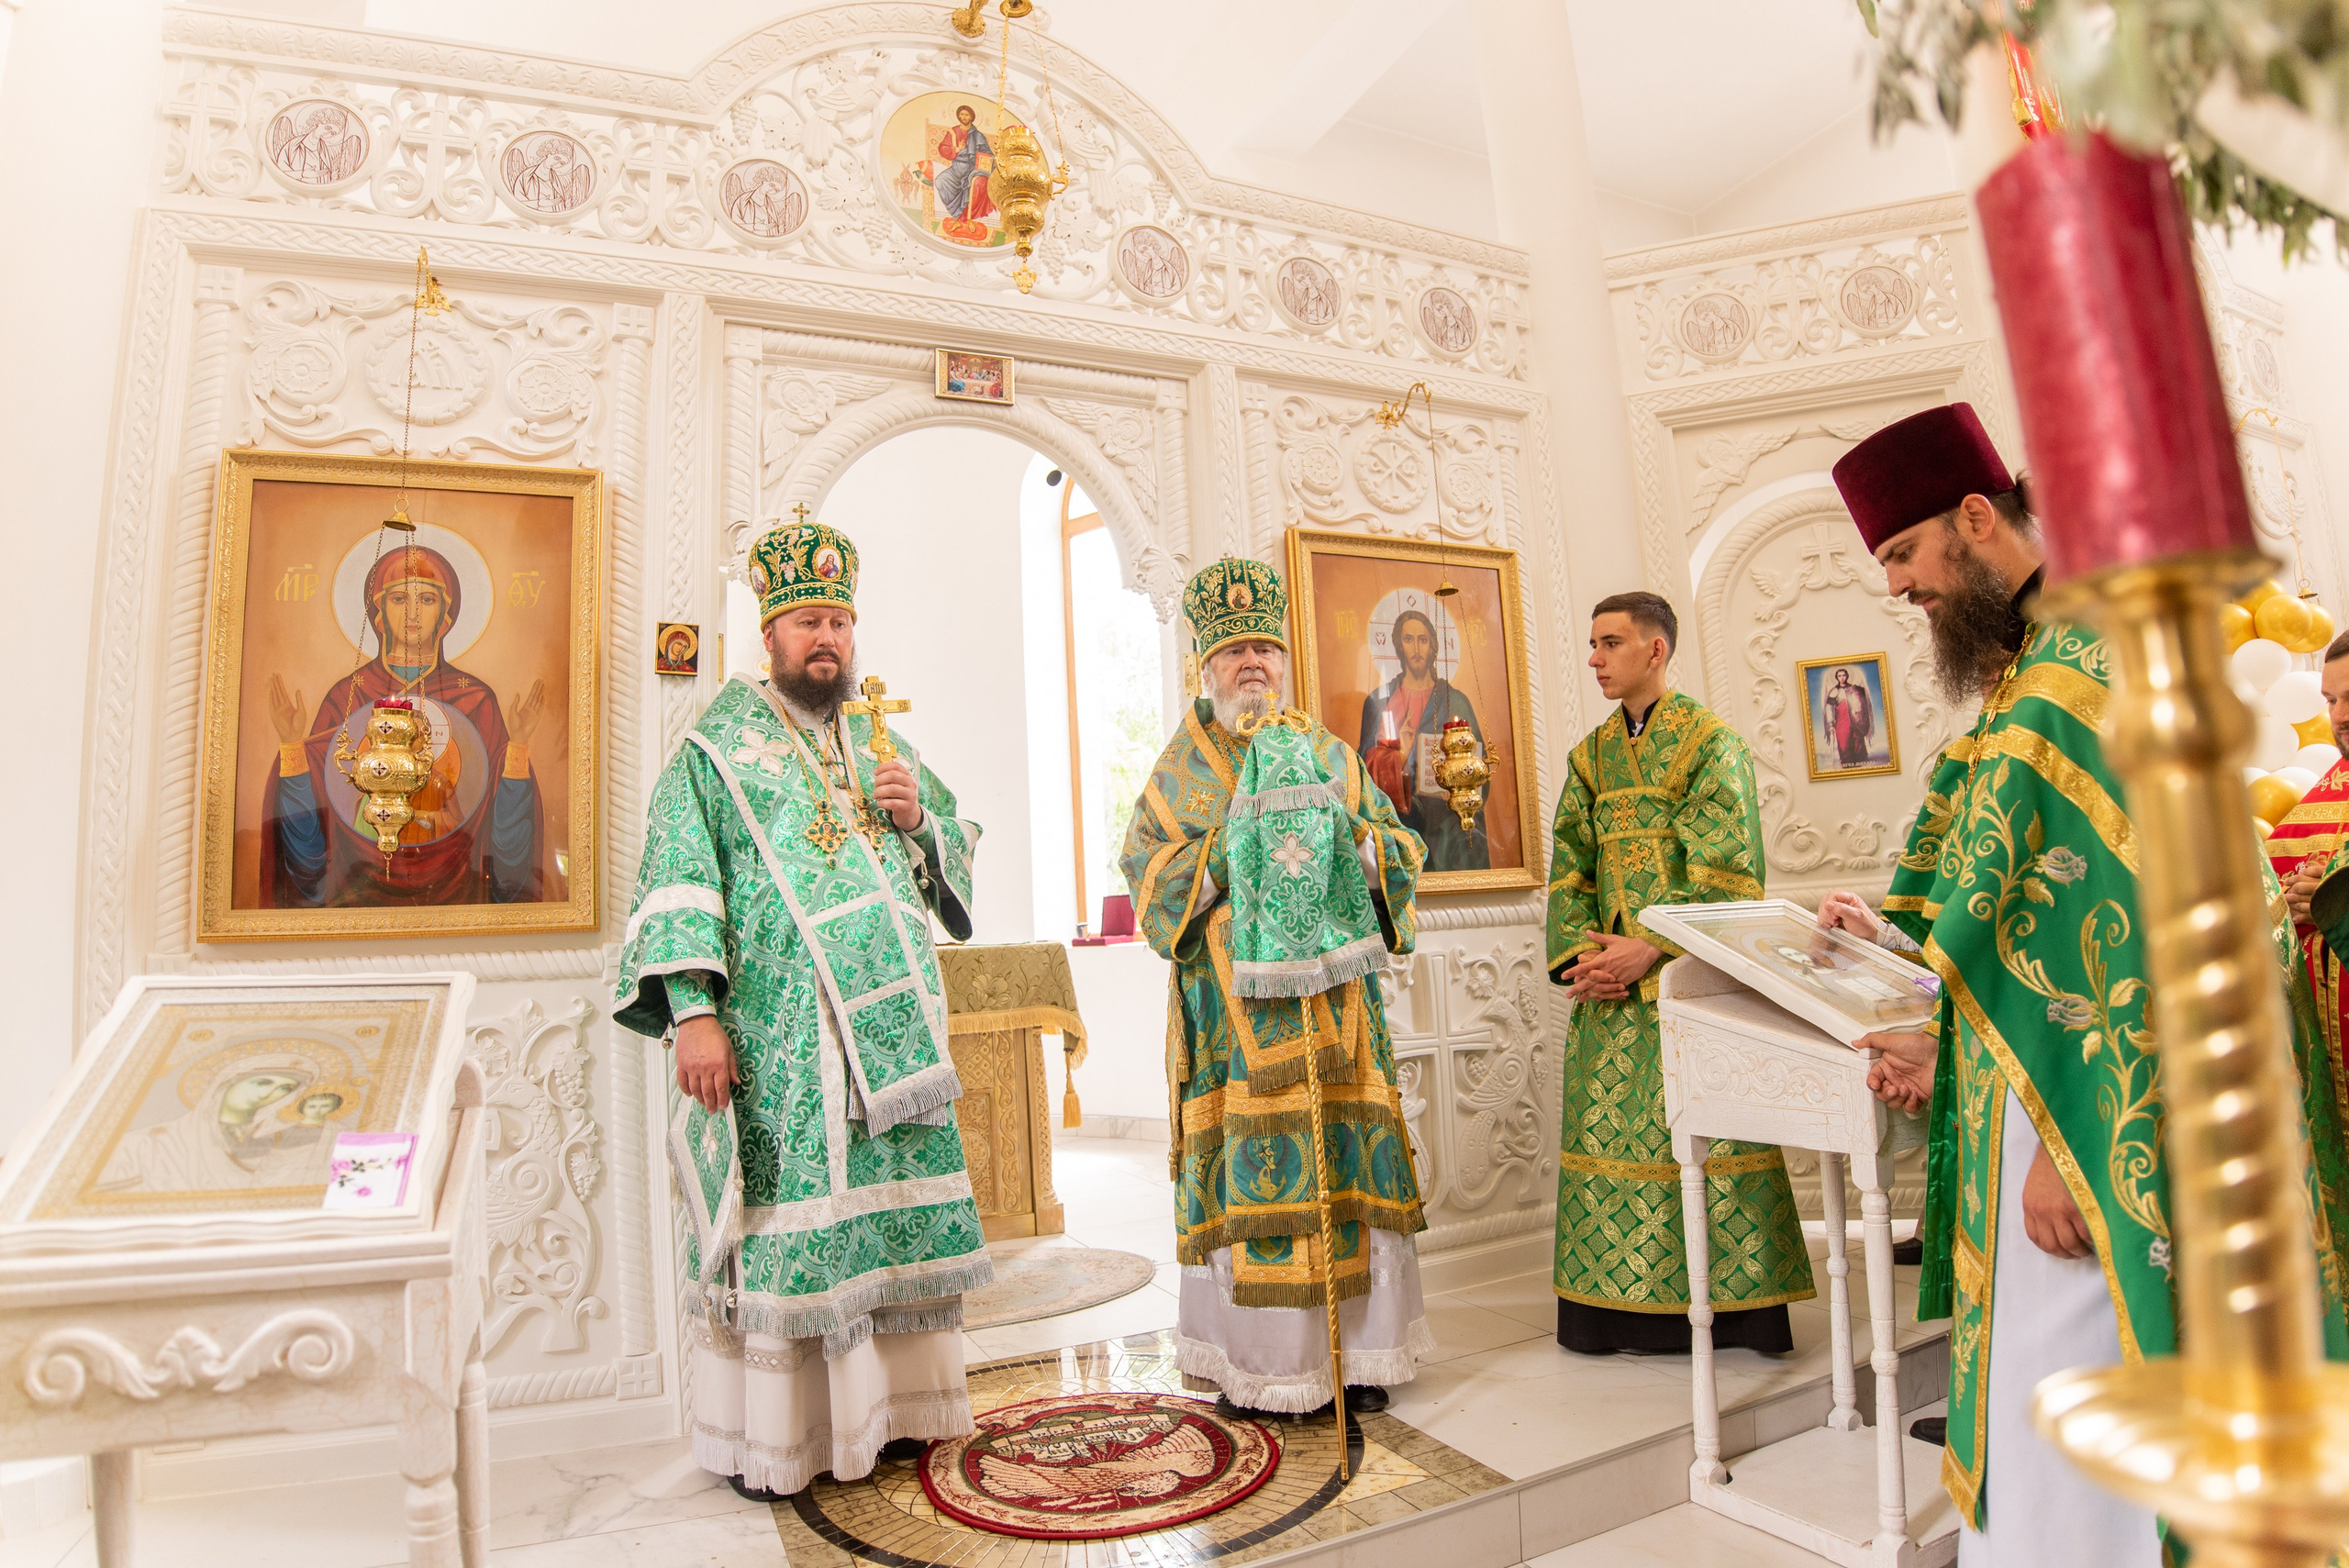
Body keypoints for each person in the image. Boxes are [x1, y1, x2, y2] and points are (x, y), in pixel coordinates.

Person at [1819, 403, 2169, 1565]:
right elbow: (2006, 917)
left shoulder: (2087, 664)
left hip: (2086, 1121)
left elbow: (2135, 940)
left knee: (2073, 1376)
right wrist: (1893, 954)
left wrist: (2069, 1148)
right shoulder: (2031, 672)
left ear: (1975, 518)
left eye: (1904, 556)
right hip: (2035, 1099)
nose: (1898, 588)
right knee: (2026, 1374)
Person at [614, 517, 990, 1500]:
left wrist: (921, 821)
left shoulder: (875, 736)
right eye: (806, 620)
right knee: (792, 1226)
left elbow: (952, 837)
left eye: (838, 619)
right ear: (770, 635)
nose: (826, 637)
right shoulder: (715, 747)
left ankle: (901, 1413)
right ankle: (785, 1437)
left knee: (893, 1225)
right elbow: (678, 878)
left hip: (894, 1044)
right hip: (783, 1043)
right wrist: (693, 1010)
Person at [1120, 557, 1432, 1416]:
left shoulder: (1328, 753)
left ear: (1284, 660)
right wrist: (1220, 857)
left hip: (1336, 1018)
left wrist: (1362, 846)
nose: (1251, 662)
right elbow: (1147, 875)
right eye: (1234, 651)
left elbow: (1401, 851)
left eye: (1265, 645)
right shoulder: (1181, 769)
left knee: (1342, 1170)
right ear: (1205, 666)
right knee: (1255, 1181)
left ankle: (1357, 1359)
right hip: (1231, 1028)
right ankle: (1254, 1362)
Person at [1547, 591, 1814, 1355]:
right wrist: (1584, 959)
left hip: (1687, 988)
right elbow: (1569, 869)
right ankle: (1609, 1314)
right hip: (1607, 992)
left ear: (1655, 650)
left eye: (1610, 642)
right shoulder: (1590, 758)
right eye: (1592, 643)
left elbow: (1729, 877)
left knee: (1702, 1138)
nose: (1594, 658)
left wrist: (1653, 951)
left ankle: (1734, 1311)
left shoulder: (1710, 746)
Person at [262, 543, 547, 908]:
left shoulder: (475, 700)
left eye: (427, 599)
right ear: (379, 612)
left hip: (456, 882)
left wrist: (517, 747)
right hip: (358, 880)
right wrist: (291, 745)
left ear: (445, 614)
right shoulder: (348, 696)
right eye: (399, 599)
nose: (413, 613)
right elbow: (315, 810)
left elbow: (504, 829)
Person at [1357, 607, 1489, 871]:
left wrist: (1458, 786)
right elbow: (1360, 771)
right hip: (1396, 823)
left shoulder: (1456, 701)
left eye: (1423, 639)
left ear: (1433, 646)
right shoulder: (1380, 702)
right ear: (1398, 646)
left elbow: (1480, 772)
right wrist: (1400, 759)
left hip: (1447, 822)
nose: (1416, 647)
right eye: (1408, 639)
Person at [1823, 665, 1876, 768]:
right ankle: (1848, 764)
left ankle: (1860, 762)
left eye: (1843, 675)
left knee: (1858, 742)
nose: (1842, 677)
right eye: (1839, 676)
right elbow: (1829, 707)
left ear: (1847, 676)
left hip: (1856, 721)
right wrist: (1830, 722)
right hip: (1842, 722)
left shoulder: (1855, 689)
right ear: (1836, 677)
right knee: (1844, 743)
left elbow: (1862, 706)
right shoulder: (1835, 691)